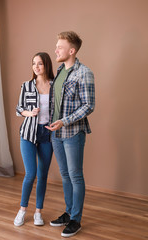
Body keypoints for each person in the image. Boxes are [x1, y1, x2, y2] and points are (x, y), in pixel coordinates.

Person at [45, 31, 95, 238]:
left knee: (75, 175)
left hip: (73, 132)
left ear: (71, 51)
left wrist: (64, 121)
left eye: (60, 46)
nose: (55, 49)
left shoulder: (84, 73)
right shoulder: (59, 71)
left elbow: (89, 105)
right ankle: (68, 212)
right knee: (65, 175)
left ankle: (76, 219)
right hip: (56, 133)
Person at [14, 52, 54, 227]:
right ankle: (22, 210)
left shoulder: (54, 86)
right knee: (30, 174)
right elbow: (19, 108)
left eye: (40, 64)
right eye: (33, 64)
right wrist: (30, 113)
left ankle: (38, 212)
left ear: (46, 65)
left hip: (47, 134)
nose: (36, 67)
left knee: (43, 175)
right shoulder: (26, 85)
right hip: (28, 133)